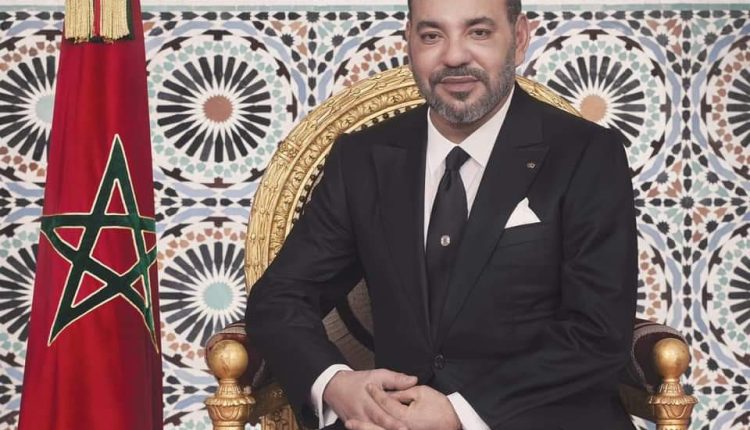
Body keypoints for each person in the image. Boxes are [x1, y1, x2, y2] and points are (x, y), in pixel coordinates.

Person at [245, 0, 638, 429]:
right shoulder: (362, 158)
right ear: (409, 42)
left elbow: (599, 329)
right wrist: (337, 384)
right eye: (432, 36)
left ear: (520, 37)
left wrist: (460, 413)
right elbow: (280, 296)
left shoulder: (587, 154)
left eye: (478, 32)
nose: (453, 56)